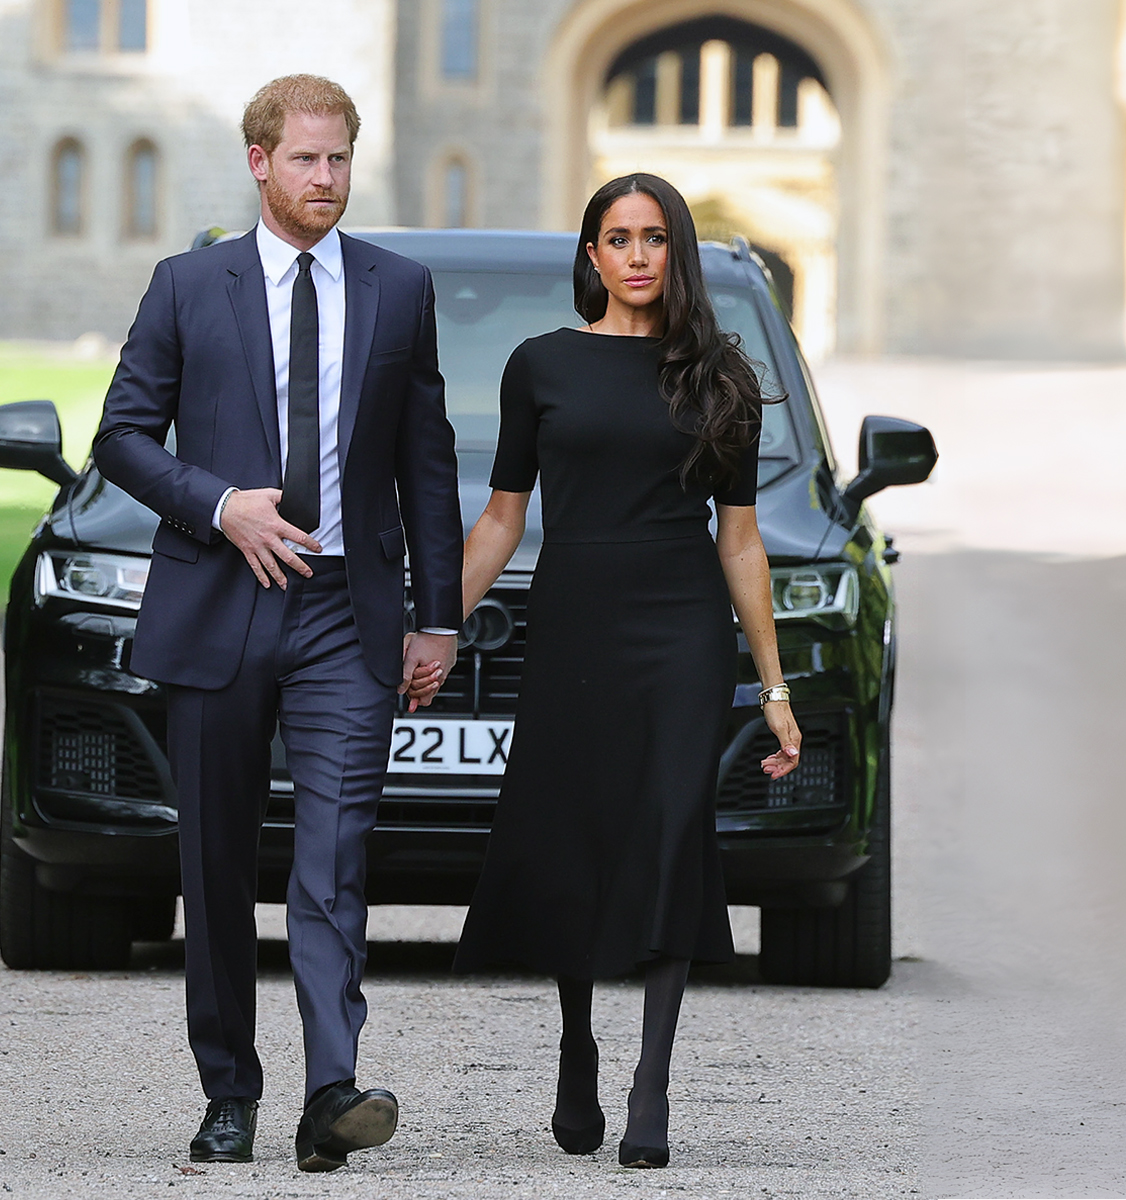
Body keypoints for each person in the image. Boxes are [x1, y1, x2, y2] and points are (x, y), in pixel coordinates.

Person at [92, 74, 464, 1173]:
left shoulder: (399, 290)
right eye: (306, 160)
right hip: (223, 601)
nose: (327, 180)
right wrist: (218, 504)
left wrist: (435, 617)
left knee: (335, 856)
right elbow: (120, 434)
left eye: (341, 159)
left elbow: (426, 463)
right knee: (212, 862)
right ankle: (229, 1092)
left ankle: (331, 1088)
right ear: (259, 161)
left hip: (348, 612)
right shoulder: (186, 286)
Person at [448, 173, 801, 1169]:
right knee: (579, 834)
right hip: (574, 623)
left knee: (670, 829)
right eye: (618, 237)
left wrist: (773, 690)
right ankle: (577, 1041)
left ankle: (653, 1079)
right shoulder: (541, 366)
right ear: (591, 256)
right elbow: (501, 519)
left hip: (683, 630)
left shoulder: (719, 373)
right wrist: (431, 628)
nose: (638, 254)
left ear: (674, 251)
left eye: (654, 238)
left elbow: (741, 543)